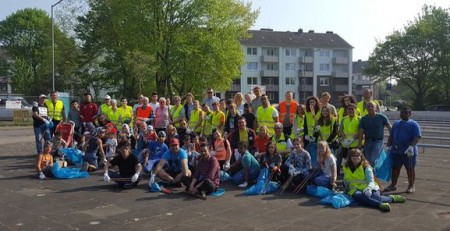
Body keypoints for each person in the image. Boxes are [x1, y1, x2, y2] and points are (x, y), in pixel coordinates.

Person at [385, 107, 421, 193]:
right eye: (402, 113)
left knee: (410, 169)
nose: (403, 114)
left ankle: (411, 186)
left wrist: (411, 147)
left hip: (408, 152)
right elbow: (391, 135)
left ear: (409, 114)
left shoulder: (414, 124)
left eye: (405, 113)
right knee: (395, 168)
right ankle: (393, 185)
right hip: (396, 151)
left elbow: (417, 136)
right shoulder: (396, 124)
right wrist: (388, 145)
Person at [358, 101, 391, 166]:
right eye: (368, 106)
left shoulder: (381, 117)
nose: (370, 108)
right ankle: (369, 174)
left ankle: (372, 175)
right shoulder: (364, 119)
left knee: (373, 160)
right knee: (366, 160)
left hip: (378, 142)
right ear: (366, 108)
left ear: (375, 108)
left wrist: (391, 140)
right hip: (367, 142)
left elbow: (390, 128)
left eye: (372, 106)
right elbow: (361, 132)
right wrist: (359, 143)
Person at [337, 103, 360, 175]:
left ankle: (354, 173)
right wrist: (344, 139)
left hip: (355, 143)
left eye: (352, 109)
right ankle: (338, 173)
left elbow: (360, 131)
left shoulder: (359, 119)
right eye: (349, 109)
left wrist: (352, 139)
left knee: (354, 159)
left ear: (355, 110)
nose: (350, 110)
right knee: (341, 157)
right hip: (345, 143)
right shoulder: (344, 119)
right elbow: (340, 130)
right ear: (347, 110)